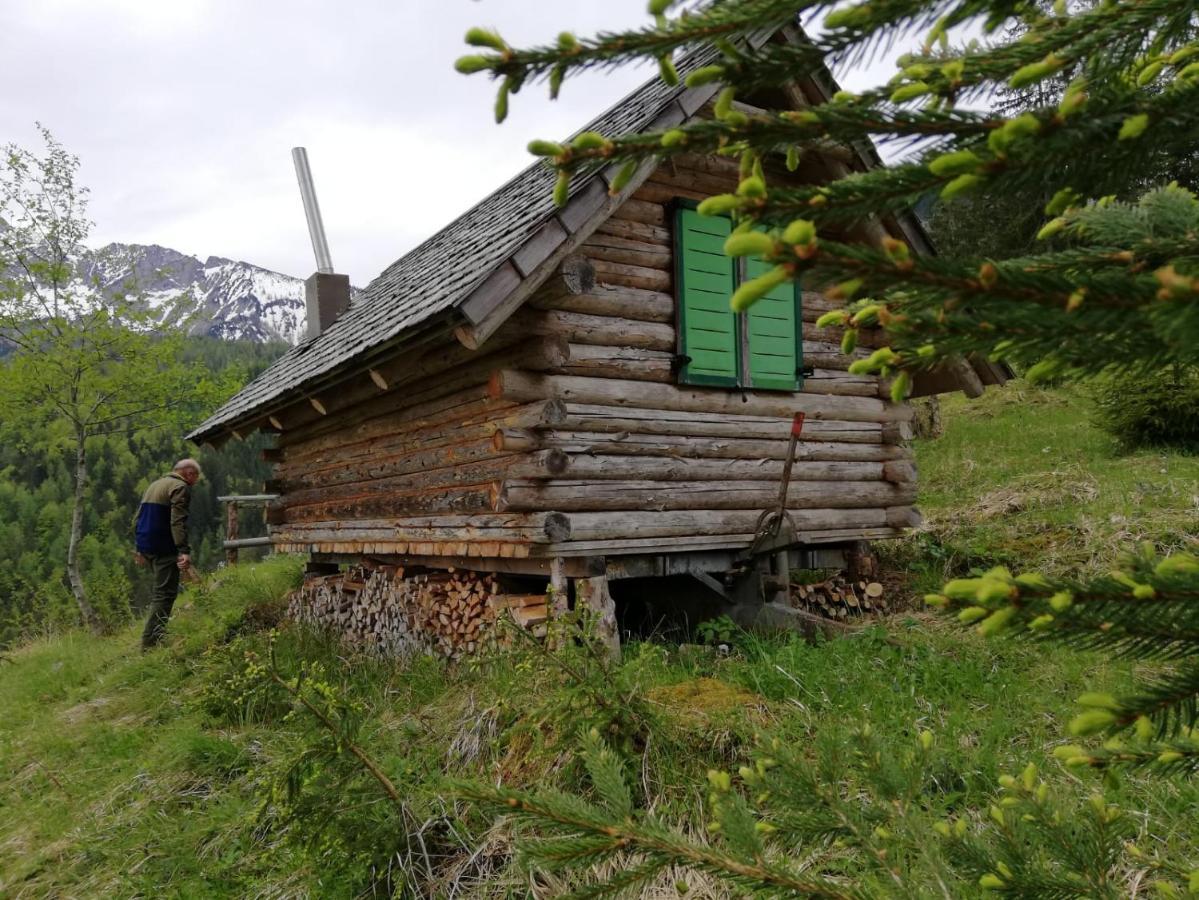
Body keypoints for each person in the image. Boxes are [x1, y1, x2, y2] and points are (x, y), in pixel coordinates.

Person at [134, 458, 201, 649]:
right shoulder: (180, 487)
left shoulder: (155, 484)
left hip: (148, 545)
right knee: (164, 594)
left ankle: (153, 638)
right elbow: (177, 521)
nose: (196, 481)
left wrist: (139, 547)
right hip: (164, 546)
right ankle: (151, 643)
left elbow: (138, 517)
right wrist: (183, 550)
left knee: (162, 591)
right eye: (196, 476)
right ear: (190, 473)